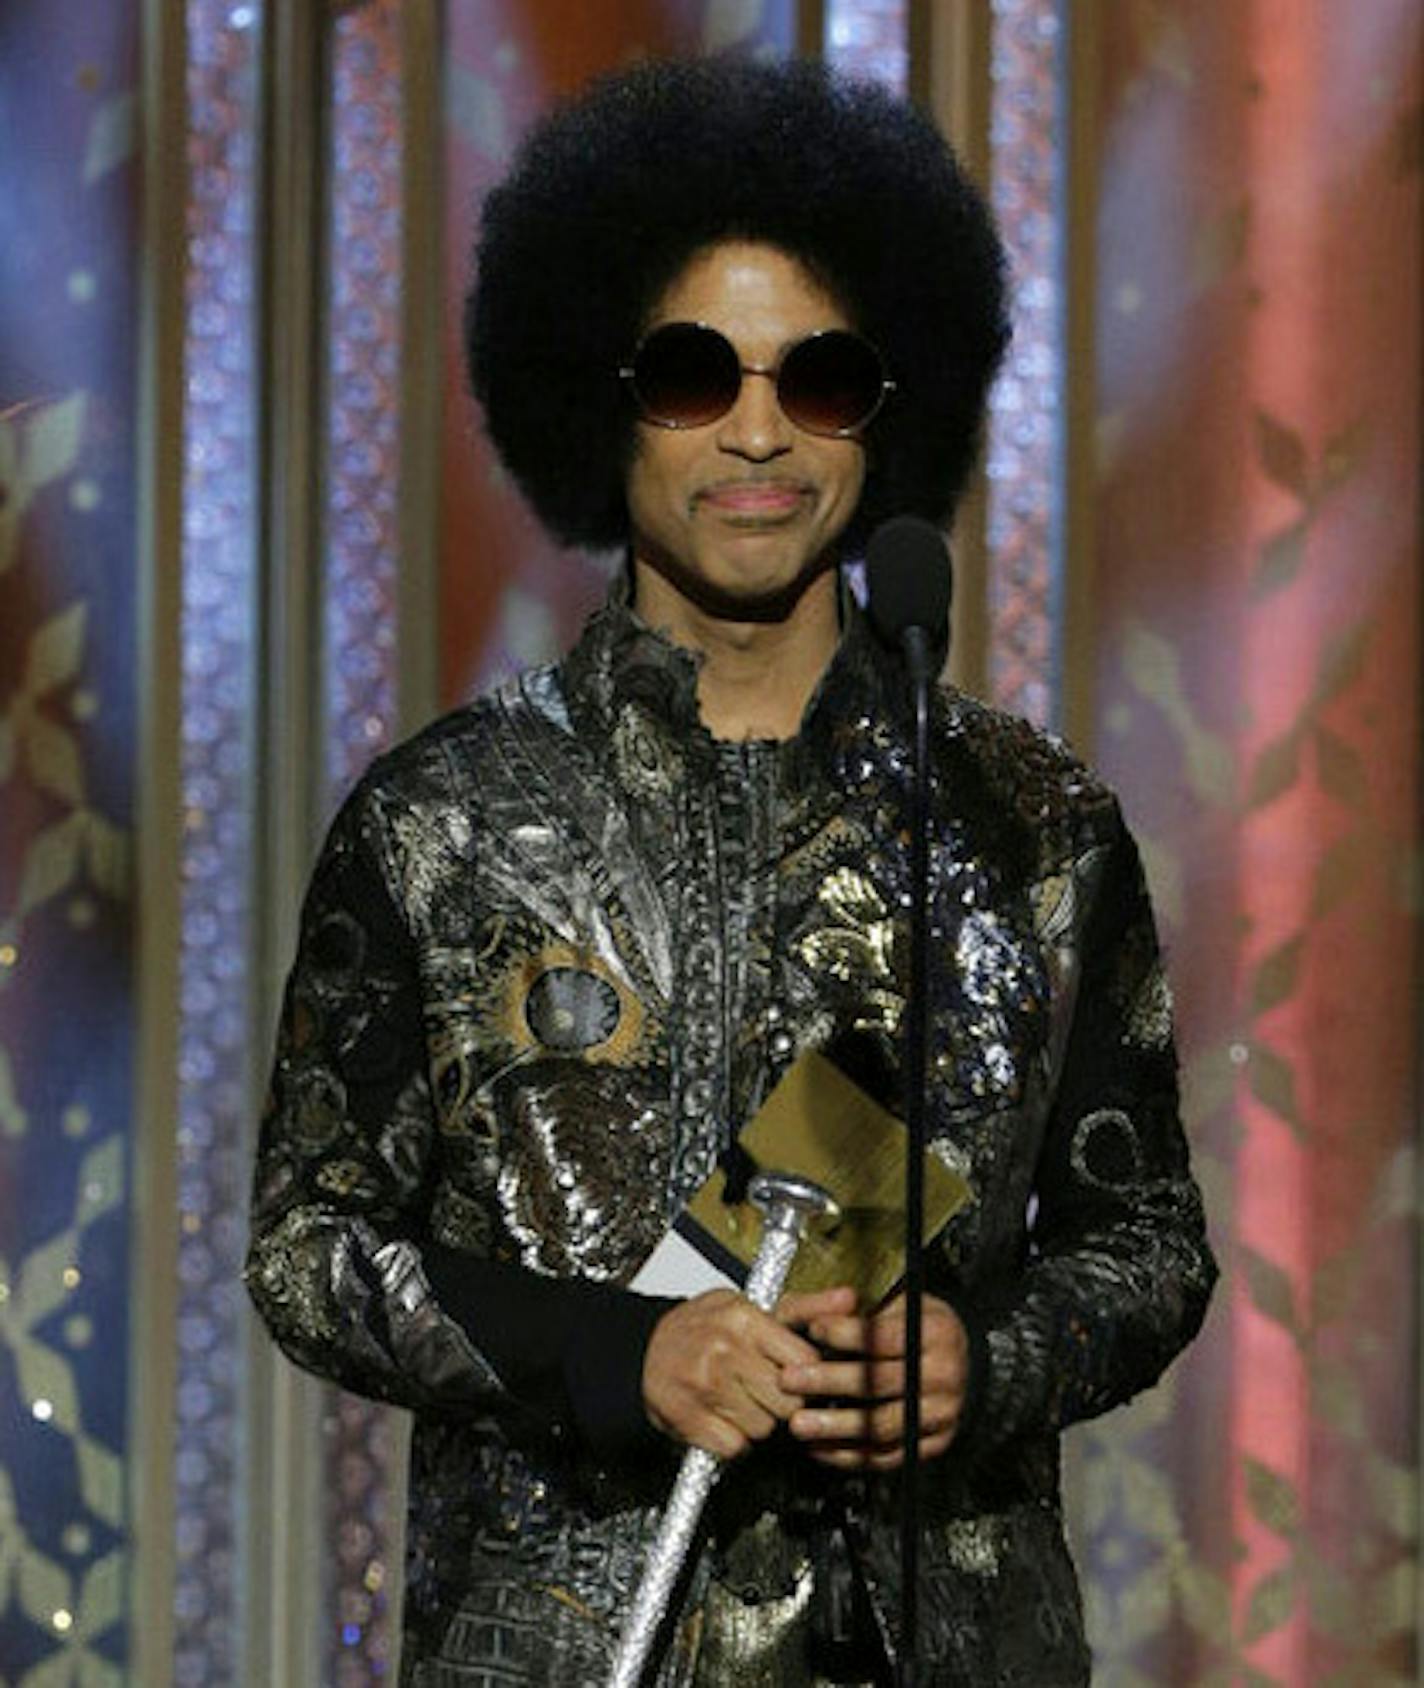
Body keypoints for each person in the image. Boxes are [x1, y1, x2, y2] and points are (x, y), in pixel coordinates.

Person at [245, 53, 1217, 1686]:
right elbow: (308, 1246)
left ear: (888, 413)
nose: (758, 431)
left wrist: (984, 1363)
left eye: (819, 380)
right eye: (693, 374)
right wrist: (625, 1357)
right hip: (565, 1647)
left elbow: (1151, 1242)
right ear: (600, 404)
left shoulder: (1028, 828)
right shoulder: (444, 821)